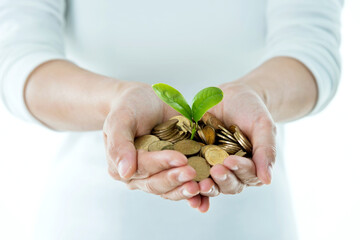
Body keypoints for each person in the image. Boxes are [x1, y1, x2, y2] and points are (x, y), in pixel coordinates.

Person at [0, 0, 343, 239]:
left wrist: (258, 95)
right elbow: (17, 59)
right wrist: (114, 102)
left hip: (252, 224)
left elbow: (311, 50)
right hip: (89, 222)